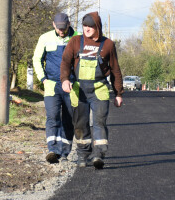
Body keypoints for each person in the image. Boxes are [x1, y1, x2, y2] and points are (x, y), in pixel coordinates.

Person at [60, 12, 123, 170]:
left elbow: (115, 70)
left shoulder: (107, 44)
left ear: (98, 27)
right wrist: (65, 79)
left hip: (99, 89)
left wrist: (118, 94)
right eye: (85, 25)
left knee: (99, 122)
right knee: (80, 124)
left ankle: (99, 155)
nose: (87, 29)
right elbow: (66, 62)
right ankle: (82, 154)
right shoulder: (75, 41)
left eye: (91, 26)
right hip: (79, 89)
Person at [33, 12, 78, 164]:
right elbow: (37, 59)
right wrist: (43, 79)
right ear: (53, 25)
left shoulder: (77, 38)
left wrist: (78, 81)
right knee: (53, 117)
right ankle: (53, 150)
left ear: (69, 25)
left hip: (71, 86)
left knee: (68, 119)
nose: (61, 31)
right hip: (51, 85)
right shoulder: (45, 38)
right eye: (58, 28)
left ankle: (65, 152)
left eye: (63, 28)